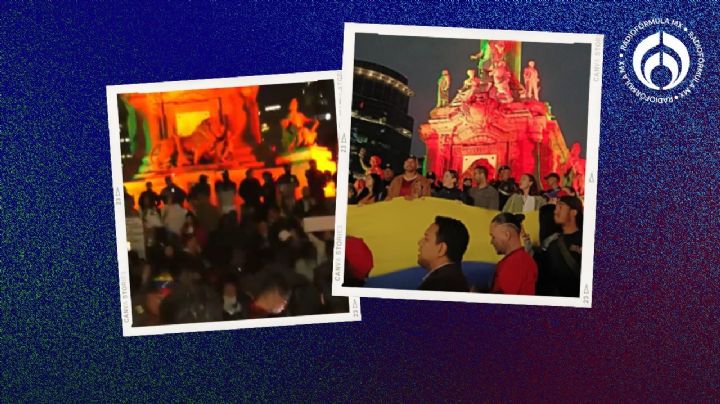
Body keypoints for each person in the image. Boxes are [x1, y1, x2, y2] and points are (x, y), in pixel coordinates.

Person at [537, 196, 583, 297]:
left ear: (573, 212)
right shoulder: (552, 243)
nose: (555, 211)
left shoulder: (586, 240)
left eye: (560, 207)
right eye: (555, 207)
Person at [417, 216, 470, 292]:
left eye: (426, 239)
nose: (420, 243)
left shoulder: (436, 286)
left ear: (441, 249)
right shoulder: (455, 280)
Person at [488, 213, 538, 295]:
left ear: (507, 235)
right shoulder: (520, 259)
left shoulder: (516, 263)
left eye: (493, 237)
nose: (491, 242)